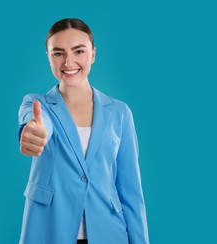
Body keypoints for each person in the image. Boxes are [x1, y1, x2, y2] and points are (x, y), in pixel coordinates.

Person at [17, 18, 149, 244]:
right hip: (49, 231)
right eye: (58, 53)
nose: (69, 62)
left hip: (110, 233)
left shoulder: (119, 112)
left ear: (93, 54)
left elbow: (131, 192)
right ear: (48, 57)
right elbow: (37, 123)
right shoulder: (37, 104)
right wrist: (33, 132)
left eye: (78, 51)